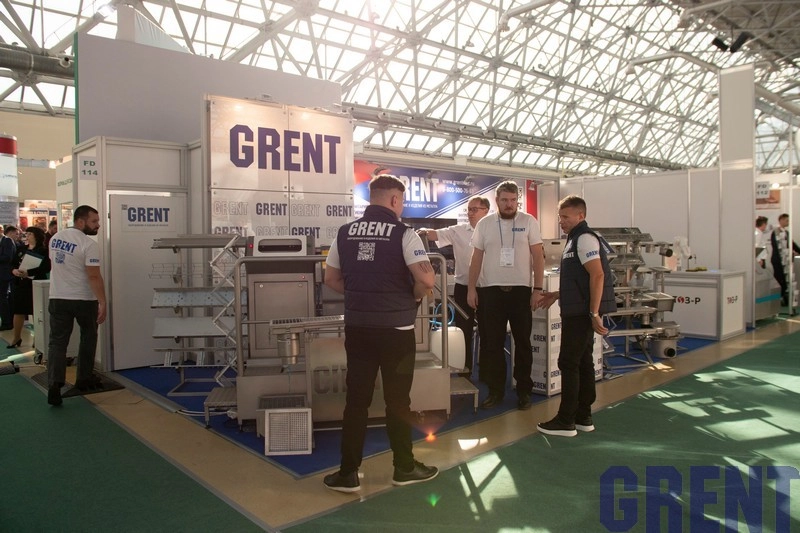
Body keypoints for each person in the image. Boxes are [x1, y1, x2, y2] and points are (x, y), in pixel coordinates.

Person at [322, 174, 438, 493]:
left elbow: (331, 279)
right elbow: (427, 280)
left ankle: (348, 473)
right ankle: (404, 467)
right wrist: (410, 295)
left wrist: (361, 295)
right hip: (396, 331)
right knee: (397, 401)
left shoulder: (344, 233)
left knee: (356, 401)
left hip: (358, 328)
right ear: (395, 200)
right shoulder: (405, 234)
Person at [536, 195, 616, 437]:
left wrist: (594, 312)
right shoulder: (575, 240)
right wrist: (557, 295)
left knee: (569, 363)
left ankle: (566, 420)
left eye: (565, 217)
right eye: (560, 216)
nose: (561, 221)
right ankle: (583, 416)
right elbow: (581, 280)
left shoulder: (584, 239)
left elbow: (597, 276)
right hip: (579, 311)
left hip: (581, 314)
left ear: (581, 216)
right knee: (582, 362)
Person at [467, 180, 545, 411]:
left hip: (521, 292)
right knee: (492, 345)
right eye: (504, 200)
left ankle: (524, 391)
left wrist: (537, 289)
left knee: (523, 344)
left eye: (513, 200)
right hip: (491, 291)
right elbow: (476, 258)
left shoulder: (529, 221)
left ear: (517, 200)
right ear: (497, 201)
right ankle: (495, 391)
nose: (509, 204)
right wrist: (471, 288)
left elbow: (538, 256)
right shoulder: (485, 224)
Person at [419, 195, 490, 378]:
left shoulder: (493, 230)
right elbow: (435, 234)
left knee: (488, 331)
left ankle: (486, 372)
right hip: (463, 286)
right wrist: (423, 231)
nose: (471, 213)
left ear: (486, 211)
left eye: (475, 209)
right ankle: (465, 371)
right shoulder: (459, 230)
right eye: (469, 209)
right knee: (464, 329)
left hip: (487, 287)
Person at [46, 205, 107, 407]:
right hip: (84, 299)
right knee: (88, 336)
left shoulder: (55, 239)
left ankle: (54, 384)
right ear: (80, 221)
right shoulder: (88, 244)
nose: (98, 225)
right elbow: (93, 276)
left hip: (58, 297)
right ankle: (84, 378)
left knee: (57, 342)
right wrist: (102, 301)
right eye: (94, 221)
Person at [8, 226, 51, 348]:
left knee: (36, 312)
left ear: (37, 236)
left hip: (36, 283)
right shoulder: (22, 249)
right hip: (21, 283)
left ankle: (38, 339)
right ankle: (16, 337)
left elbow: (46, 267)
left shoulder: (43, 250)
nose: (27, 236)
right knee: (18, 311)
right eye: (26, 234)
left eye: (30, 234)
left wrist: (29, 273)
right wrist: (14, 270)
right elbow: (13, 263)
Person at [770, 213, 800, 307]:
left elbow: (792, 244)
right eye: (787, 220)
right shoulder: (775, 232)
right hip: (778, 260)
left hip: (786, 260)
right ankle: (779, 298)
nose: (788, 222)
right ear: (781, 220)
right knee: (779, 279)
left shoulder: (786, 232)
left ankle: (784, 297)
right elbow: (777, 247)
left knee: (786, 279)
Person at [0, 225, 19, 331]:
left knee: (4, 298)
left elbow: (8, 257)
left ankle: (7, 322)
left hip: (5, 275)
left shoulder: (7, 241)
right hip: (3, 274)